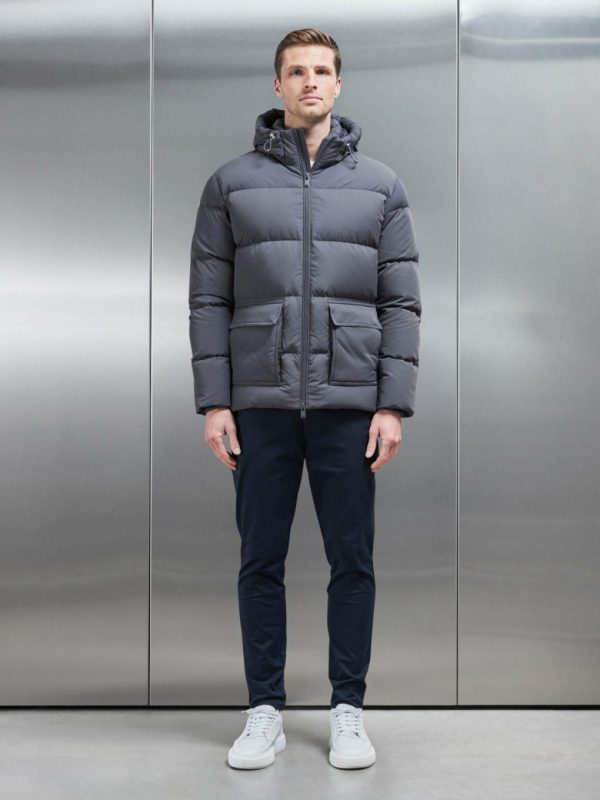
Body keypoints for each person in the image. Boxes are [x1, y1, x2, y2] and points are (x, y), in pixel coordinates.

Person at [188, 27, 421, 771]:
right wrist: (215, 402)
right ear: (278, 85)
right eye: (297, 71)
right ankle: (265, 711)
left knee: (353, 561)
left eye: (322, 70)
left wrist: (392, 405)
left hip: (350, 405)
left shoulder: (381, 186)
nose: (310, 82)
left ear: (338, 84)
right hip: (259, 404)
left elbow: (401, 302)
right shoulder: (230, 184)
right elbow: (208, 301)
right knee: (260, 560)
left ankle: (348, 709)